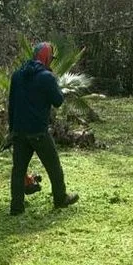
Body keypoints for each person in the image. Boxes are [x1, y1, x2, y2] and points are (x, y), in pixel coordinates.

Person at [7, 41, 79, 216]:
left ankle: (16, 207)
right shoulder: (46, 77)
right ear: (46, 58)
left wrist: (12, 130)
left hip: (19, 131)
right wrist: (54, 83)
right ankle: (60, 199)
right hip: (38, 131)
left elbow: (11, 105)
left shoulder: (17, 75)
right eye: (51, 59)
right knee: (54, 167)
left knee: (18, 171)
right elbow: (58, 101)